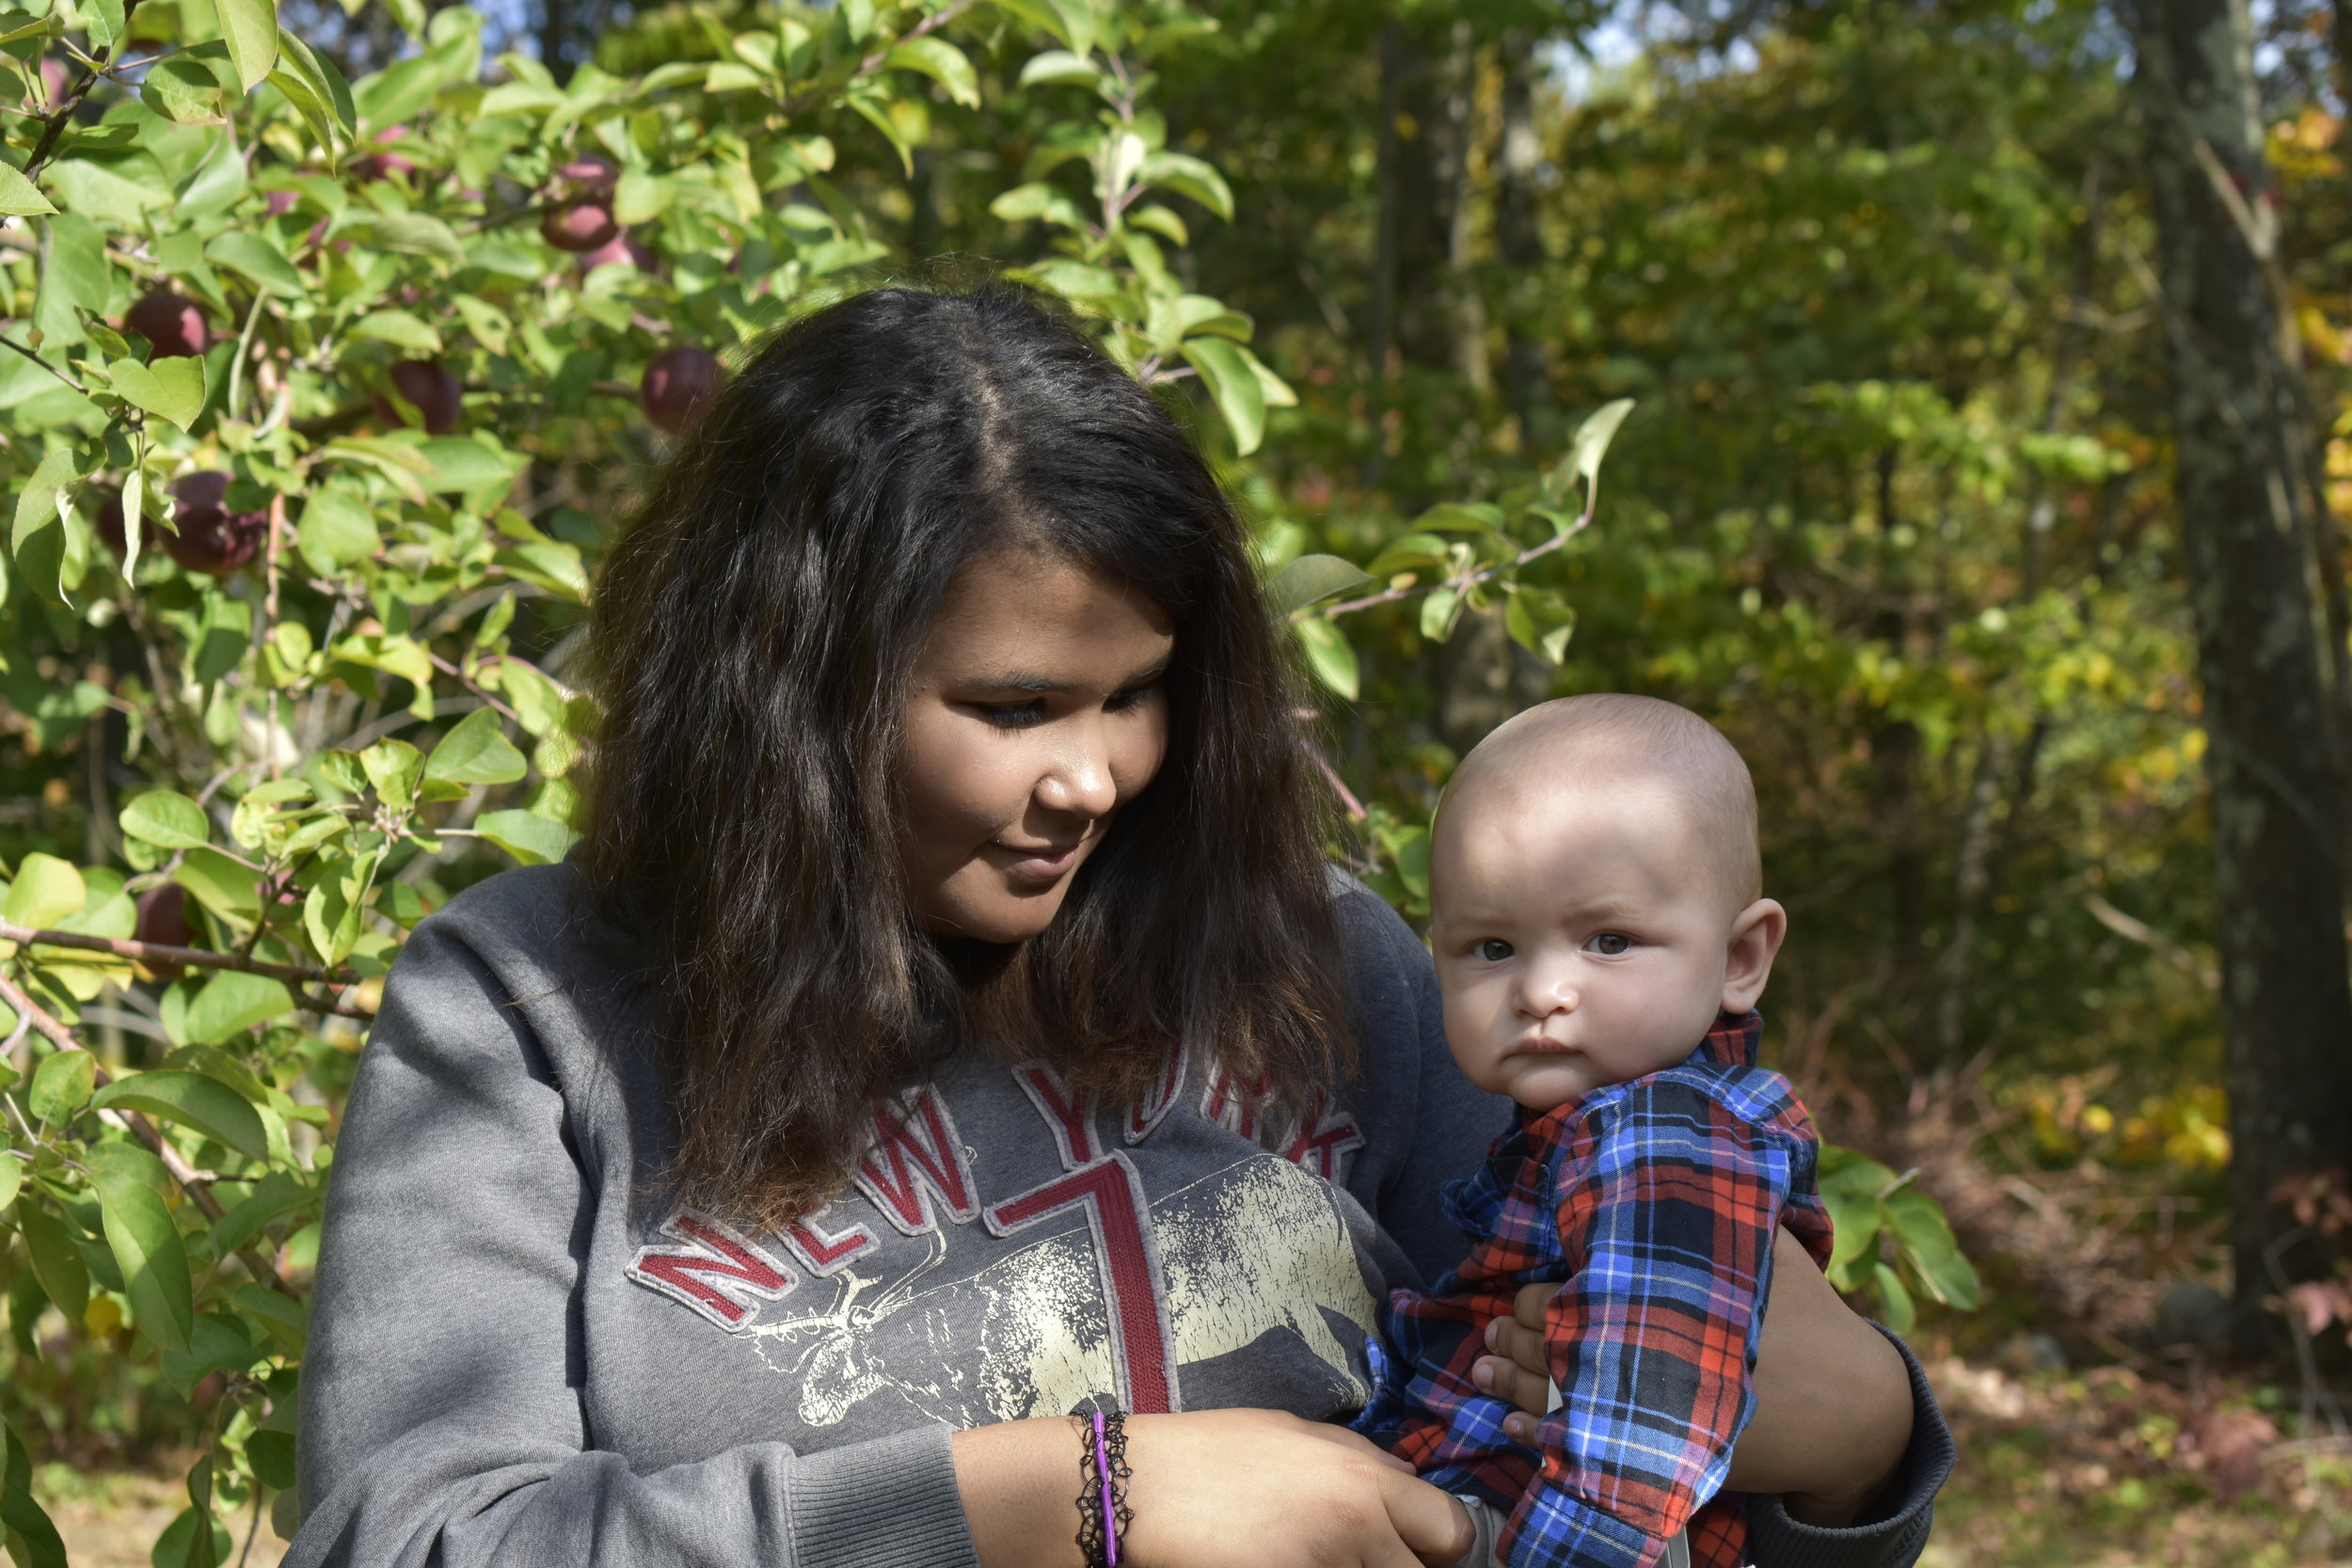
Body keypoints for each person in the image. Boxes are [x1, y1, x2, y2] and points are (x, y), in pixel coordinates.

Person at [290, 287, 1951, 1568]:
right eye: (1011, 704)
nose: (1093, 773)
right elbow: (417, 1537)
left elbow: (1627, 1449)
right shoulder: (525, 1013)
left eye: (1140, 691)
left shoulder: (1333, 965)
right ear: (787, 699)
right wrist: (1081, 1495)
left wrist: (1869, 1437)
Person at [1362, 695, 1837, 1568]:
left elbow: (1643, 1435)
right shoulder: (1588, 1123)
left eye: (1609, 940)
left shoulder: (1661, 1135)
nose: (1542, 989)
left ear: (1740, 959)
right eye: (1493, 947)